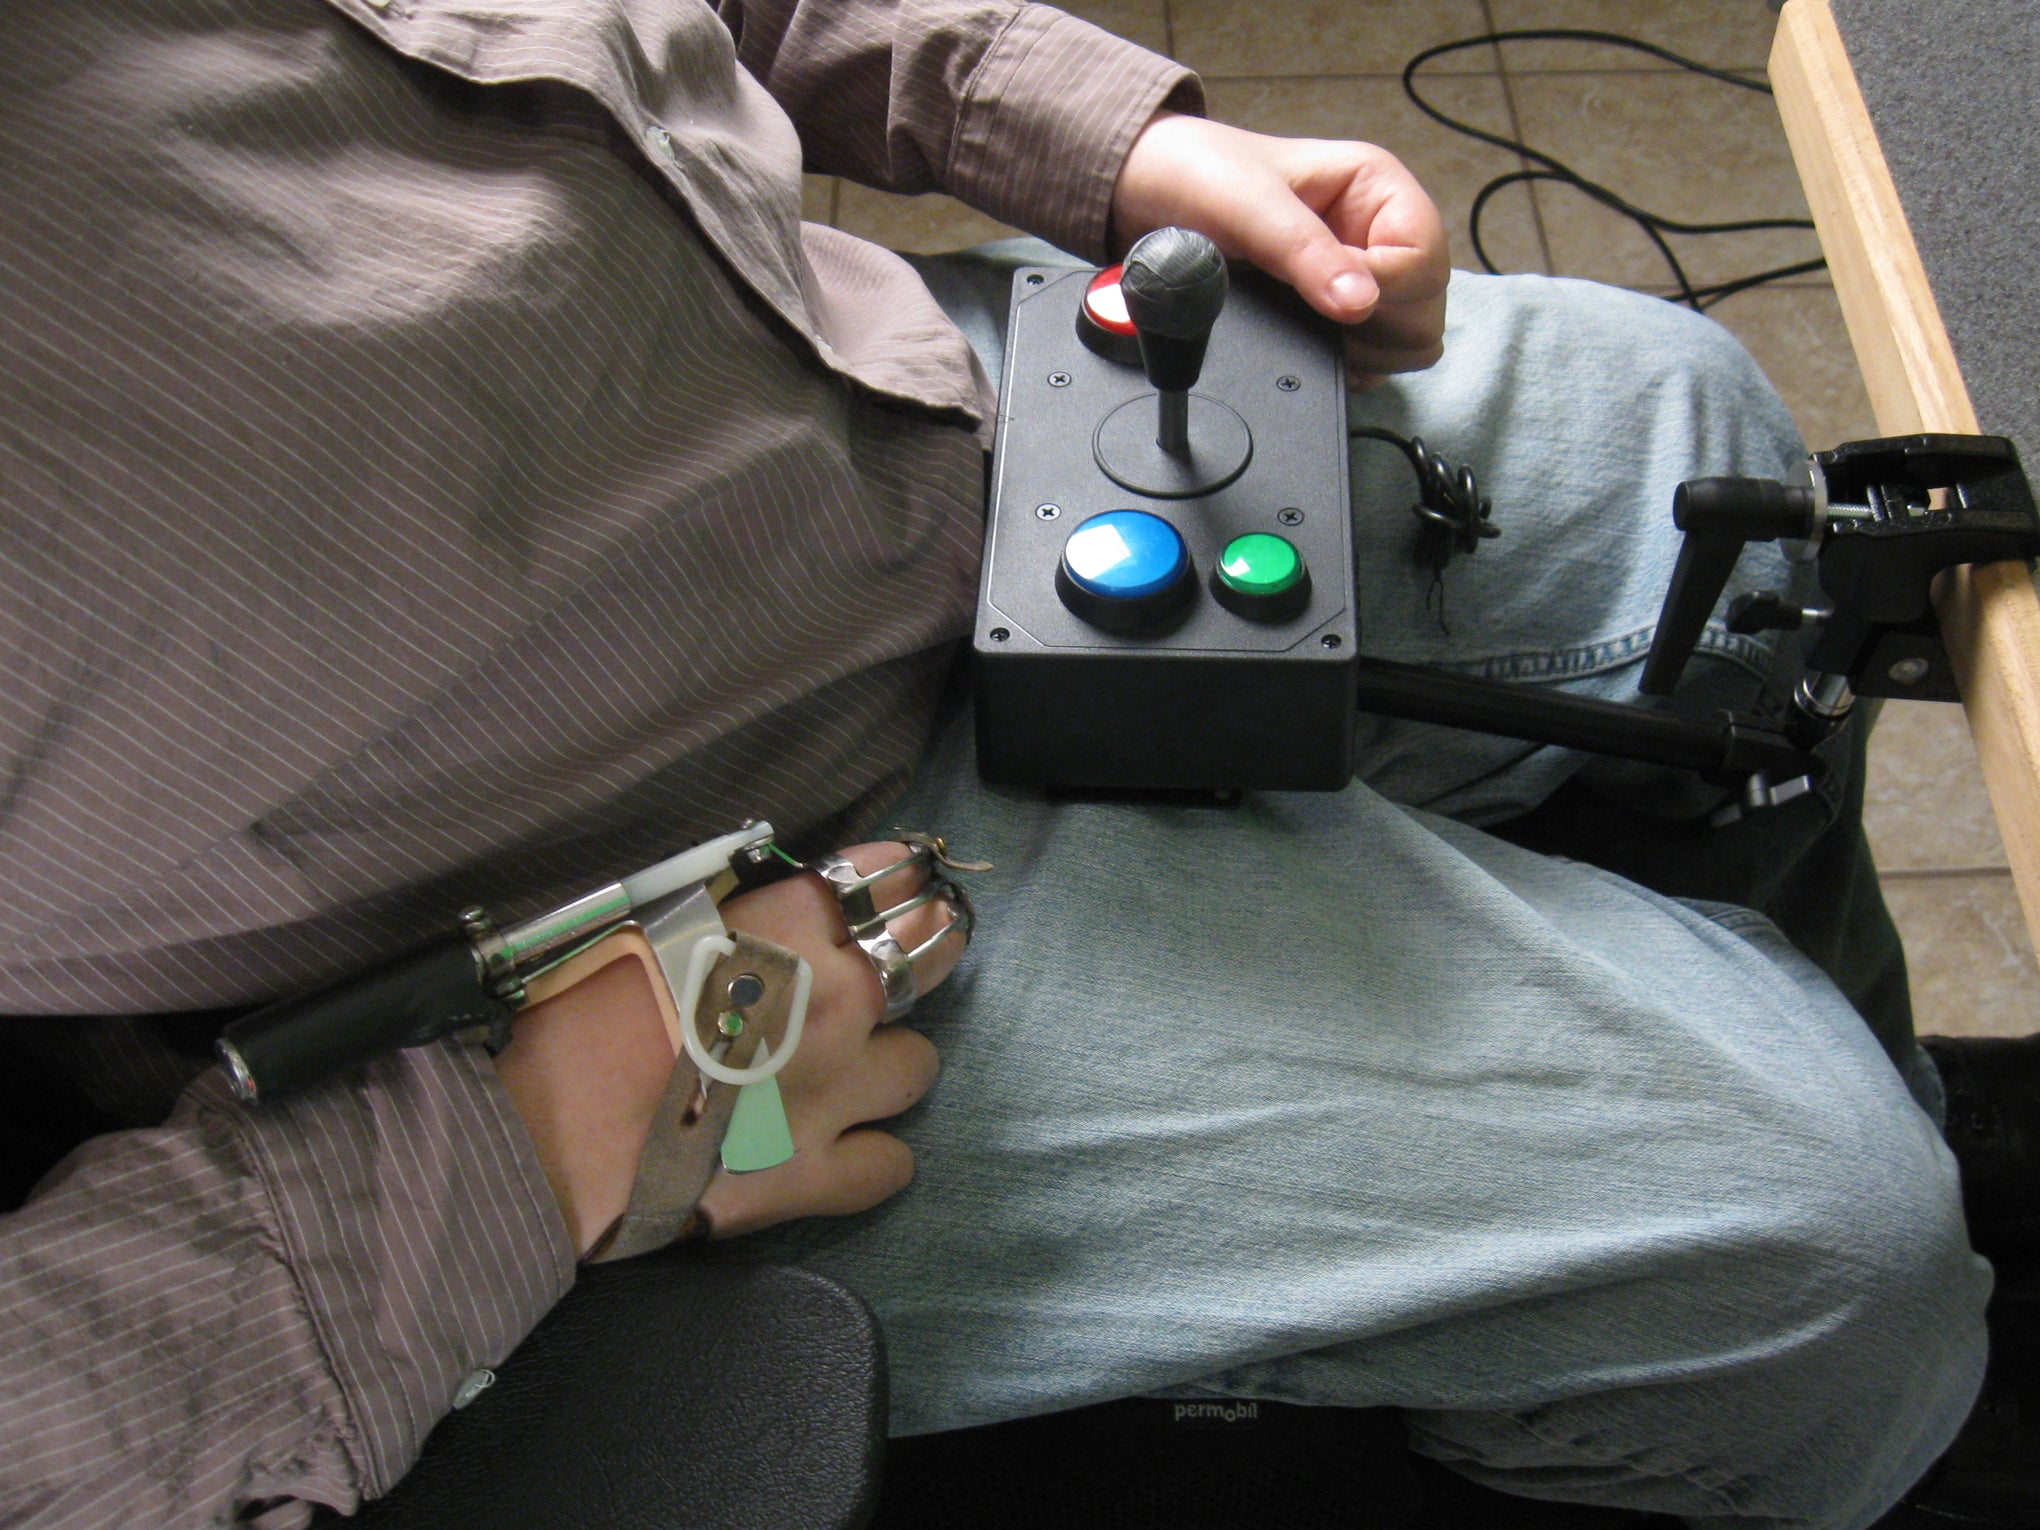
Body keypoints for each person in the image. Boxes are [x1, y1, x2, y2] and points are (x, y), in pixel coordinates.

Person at [0, 1, 2011, 1526]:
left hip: (884, 406)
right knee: (1840, 1271)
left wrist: (1095, 133)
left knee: (1695, 444)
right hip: (639, 951)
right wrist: (530, 1140)